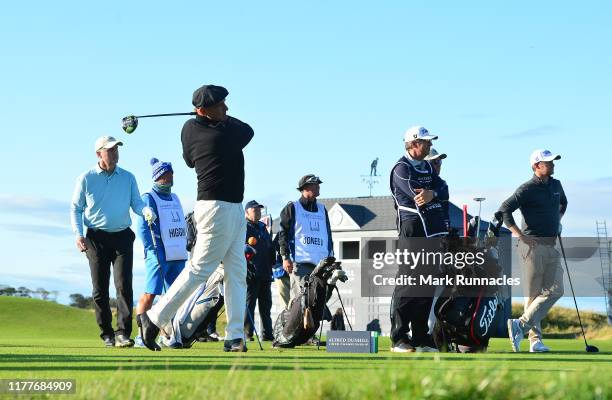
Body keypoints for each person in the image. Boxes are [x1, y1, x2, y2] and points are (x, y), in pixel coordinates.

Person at [138, 84, 254, 352]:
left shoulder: (191, 128)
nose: (227, 108)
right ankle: (155, 319)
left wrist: (212, 118)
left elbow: (189, 159)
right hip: (216, 208)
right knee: (199, 269)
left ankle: (234, 336)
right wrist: (217, 121)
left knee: (237, 272)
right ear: (202, 110)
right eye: (221, 105)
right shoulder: (217, 133)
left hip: (233, 208)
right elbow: (247, 131)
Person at [70, 136, 155, 348]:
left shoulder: (128, 177)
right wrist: (78, 234)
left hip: (122, 237)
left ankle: (123, 333)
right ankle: (107, 333)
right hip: (96, 238)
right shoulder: (86, 178)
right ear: (99, 153)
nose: (115, 153)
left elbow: (136, 202)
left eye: (117, 149)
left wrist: (145, 210)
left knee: (124, 285)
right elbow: (76, 208)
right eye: (110, 150)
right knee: (100, 289)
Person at [389, 126, 449, 353]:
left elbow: (443, 188)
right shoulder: (401, 168)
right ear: (414, 144)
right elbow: (417, 195)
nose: (429, 146)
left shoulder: (425, 166)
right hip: (412, 229)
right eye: (426, 142)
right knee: (409, 283)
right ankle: (399, 338)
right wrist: (432, 191)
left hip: (431, 231)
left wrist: (433, 192)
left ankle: (421, 338)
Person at [500, 149, 567, 353]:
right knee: (533, 293)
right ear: (537, 166)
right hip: (532, 247)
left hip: (551, 245)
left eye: (553, 161)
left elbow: (563, 203)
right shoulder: (527, 189)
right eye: (548, 162)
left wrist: (557, 221)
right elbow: (505, 209)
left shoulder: (556, 184)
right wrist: (520, 235)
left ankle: (520, 324)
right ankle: (535, 341)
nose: (553, 164)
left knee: (556, 289)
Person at [134, 158, 188, 347]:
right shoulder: (148, 197)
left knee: (175, 296)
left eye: (171, 173)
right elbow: (142, 227)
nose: (170, 177)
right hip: (158, 254)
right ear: (158, 176)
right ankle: (141, 336)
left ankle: (167, 336)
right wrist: (151, 248)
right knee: (150, 294)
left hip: (177, 254)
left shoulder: (175, 197)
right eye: (166, 174)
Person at [278, 174, 334, 300]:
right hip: (300, 262)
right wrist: (285, 257)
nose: (319, 186)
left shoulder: (322, 209)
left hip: (321, 263)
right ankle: (290, 319)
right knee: (300, 300)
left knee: (319, 300)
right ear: (306, 187)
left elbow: (328, 234)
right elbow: (283, 234)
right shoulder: (292, 207)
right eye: (315, 184)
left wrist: (331, 257)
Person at [243, 200, 275, 341]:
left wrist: (273, 262)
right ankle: (247, 333)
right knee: (249, 305)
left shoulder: (262, 226)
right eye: (255, 210)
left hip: (265, 272)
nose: (258, 212)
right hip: (251, 273)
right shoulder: (242, 226)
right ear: (247, 212)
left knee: (266, 306)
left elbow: (269, 245)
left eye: (259, 210)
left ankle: (267, 334)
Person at [272, 233, 291, 309]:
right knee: (286, 307)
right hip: (282, 273)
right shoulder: (283, 230)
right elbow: (274, 247)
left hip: (291, 273)